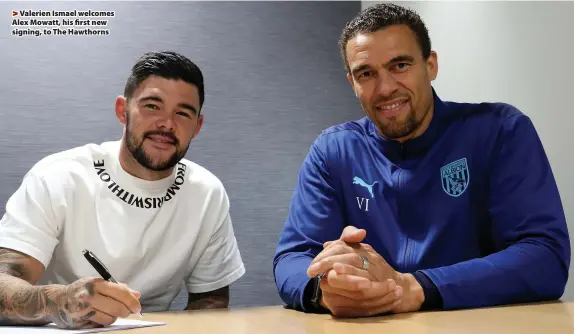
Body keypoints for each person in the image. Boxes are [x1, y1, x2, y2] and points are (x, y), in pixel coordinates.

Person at [273, 3, 570, 318]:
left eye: (400, 65)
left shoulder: (500, 131)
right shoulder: (333, 151)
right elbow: (293, 258)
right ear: (353, 83)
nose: (386, 88)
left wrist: (416, 288)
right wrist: (327, 290)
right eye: (367, 73)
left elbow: (545, 258)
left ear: (431, 65)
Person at [0, 51, 245, 328]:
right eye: (152, 106)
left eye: (183, 113)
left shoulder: (207, 193)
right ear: (122, 110)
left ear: (197, 126)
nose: (167, 123)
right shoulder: (58, 176)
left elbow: (211, 301)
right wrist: (59, 302)